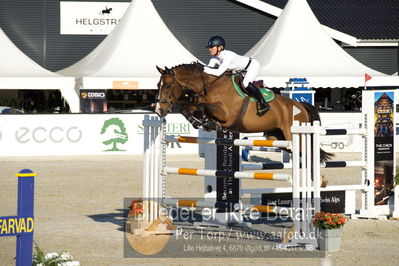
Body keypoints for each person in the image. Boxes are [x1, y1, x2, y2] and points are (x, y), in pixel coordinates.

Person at [203, 35, 270, 115]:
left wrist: (204, 69)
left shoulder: (228, 56)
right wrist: (204, 69)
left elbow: (218, 73)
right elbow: (208, 70)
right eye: (209, 47)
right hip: (241, 70)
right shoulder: (214, 59)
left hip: (252, 66)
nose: (209, 49)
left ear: (220, 48)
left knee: (245, 83)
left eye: (212, 47)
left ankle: (264, 104)